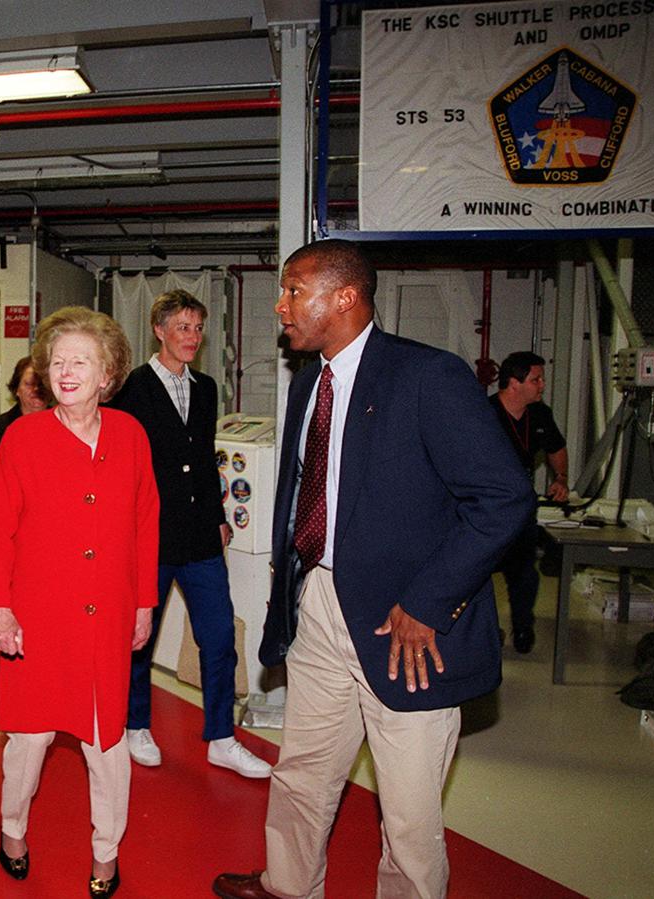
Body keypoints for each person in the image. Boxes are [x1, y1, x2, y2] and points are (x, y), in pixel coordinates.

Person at [212, 240, 532, 899]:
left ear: (346, 297)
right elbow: (306, 489)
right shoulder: (308, 384)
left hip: (403, 622)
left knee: (409, 812)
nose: (281, 305)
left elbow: (504, 499)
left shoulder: (428, 378)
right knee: (302, 769)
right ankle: (288, 882)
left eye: (294, 290)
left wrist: (429, 600)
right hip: (319, 606)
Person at [0, 306, 159, 898]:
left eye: (80, 361)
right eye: (57, 361)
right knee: (27, 743)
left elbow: (145, 522)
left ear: (107, 372)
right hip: (37, 616)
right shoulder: (22, 437)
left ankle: (106, 851)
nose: (66, 371)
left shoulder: (131, 435)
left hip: (107, 613)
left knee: (106, 744)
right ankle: (12, 830)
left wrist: (144, 604)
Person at [110, 289, 271, 779]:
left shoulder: (205, 389)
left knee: (220, 637)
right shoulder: (130, 389)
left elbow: (204, 459)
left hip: (201, 536)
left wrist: (220, 515)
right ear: (159, 330)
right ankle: (136, 724)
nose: (191, 337)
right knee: (140, 637)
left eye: (197, 329)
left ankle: (222, 737)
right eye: (182, 327)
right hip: (150, 537)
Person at [490, 351, 568, 654]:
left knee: (524, 574)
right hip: (488, 510)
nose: (542, 385)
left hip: (522, 509)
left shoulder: (540, 414)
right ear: (513, 383)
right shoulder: (485, 413)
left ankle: (523, 628)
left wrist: (560, 478)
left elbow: (556, 448)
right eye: (536, 379)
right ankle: (484, 631)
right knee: (478, 576)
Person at [0, 356, 49, 488]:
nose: (36, 390)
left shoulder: (65, 423)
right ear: (17, 389)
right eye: (29, 384)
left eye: (42, 385)